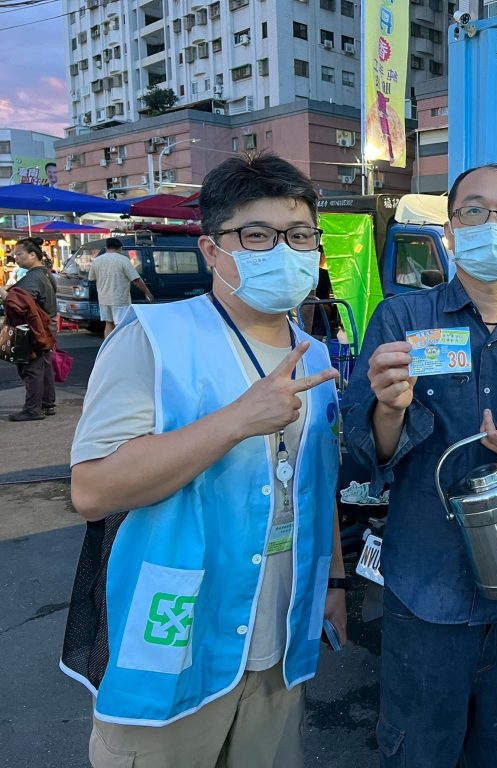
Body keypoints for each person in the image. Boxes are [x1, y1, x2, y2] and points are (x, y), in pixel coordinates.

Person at [63, 153, 347, 767]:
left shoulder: (314, 354)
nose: (284, 250)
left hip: (280, 636)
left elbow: (315, 481)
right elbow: (92, 491)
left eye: (300, 235)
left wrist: (333, 581)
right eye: (257, 235)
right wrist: (237, 421)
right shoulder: (153, 338)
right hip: (175, 635)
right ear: (211, 249)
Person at [340, 164, 497, 767]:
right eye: (474, 210)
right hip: (426, 586)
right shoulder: (402, 320)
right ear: (450, 231)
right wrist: (389, 409)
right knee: (419, 751)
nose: (492, 223)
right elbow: (364, 454)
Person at [0, 237, 57, 421]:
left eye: (19, 254)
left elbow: (17, 304)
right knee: (44, 367)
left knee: (31, 369)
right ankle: (47, 404)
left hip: (34, 328)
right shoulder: (44, 273)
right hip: (46, 325)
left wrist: (2, 292)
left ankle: (33, 409)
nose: (16, 258)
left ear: (33, 255)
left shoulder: (33, 277)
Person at [88, 237, 155, 336]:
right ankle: (119, 345)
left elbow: (91, 278)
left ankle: (109, 344)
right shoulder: (123, 260)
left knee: (108, 323)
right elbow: (136, 279)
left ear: (106, 247)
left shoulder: (97, 261)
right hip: (119, 299)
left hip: (103, 299)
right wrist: (147, 292)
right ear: (120, 248)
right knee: (121, 325)